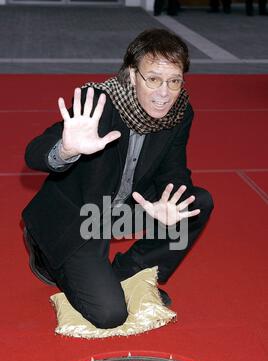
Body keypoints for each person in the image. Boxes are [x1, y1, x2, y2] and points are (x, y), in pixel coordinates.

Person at [22, 29, 214, 329]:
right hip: (79, 216)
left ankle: (128, 270)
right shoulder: (99, 102)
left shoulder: (179, 113)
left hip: (121, 210)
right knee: (110, 315)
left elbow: (173, 169)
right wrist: (66, 149)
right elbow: (34, 153)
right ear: (131, 74)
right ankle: (47, 255)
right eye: (153, 79)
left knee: (194, 203)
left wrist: (169, 199)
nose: (165, 93)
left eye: (174, 81)